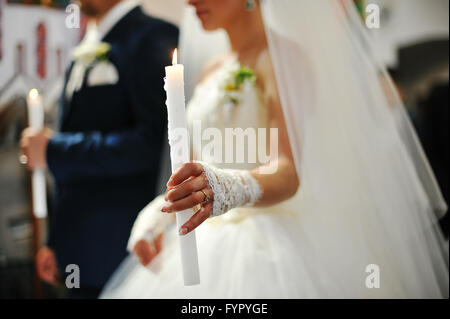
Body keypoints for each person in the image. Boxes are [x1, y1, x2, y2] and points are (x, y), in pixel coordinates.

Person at [101, 0, 448, 298]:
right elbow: (191, 165)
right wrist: (156, 215)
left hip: (265, 241)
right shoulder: (210, 69)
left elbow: (287, 170)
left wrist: (225, 188)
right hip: (204, 238)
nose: (191, 2)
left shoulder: (284, 59)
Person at [20, 0, 178, 298]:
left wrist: (55, 150)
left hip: (120, 252)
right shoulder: (86, 42)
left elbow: (152, 144)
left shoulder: (152, 36)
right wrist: (56, 240)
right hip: (76, 253)